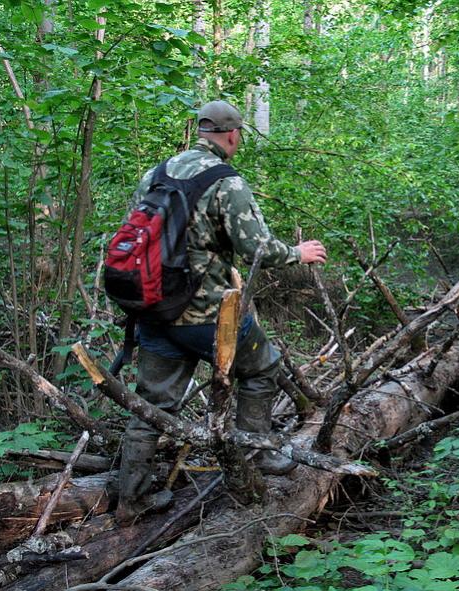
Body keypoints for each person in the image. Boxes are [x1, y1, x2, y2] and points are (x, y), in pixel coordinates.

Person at [116, 100, 327, 526]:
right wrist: (297, 253)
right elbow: (257, 249)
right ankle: (256, 454)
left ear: (200, 131)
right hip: (205, 316)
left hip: (153, 309)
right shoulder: (226, 182)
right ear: (232, 135)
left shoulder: (156, 174)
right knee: (263, 367)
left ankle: (131, 496)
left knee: (153, 404)